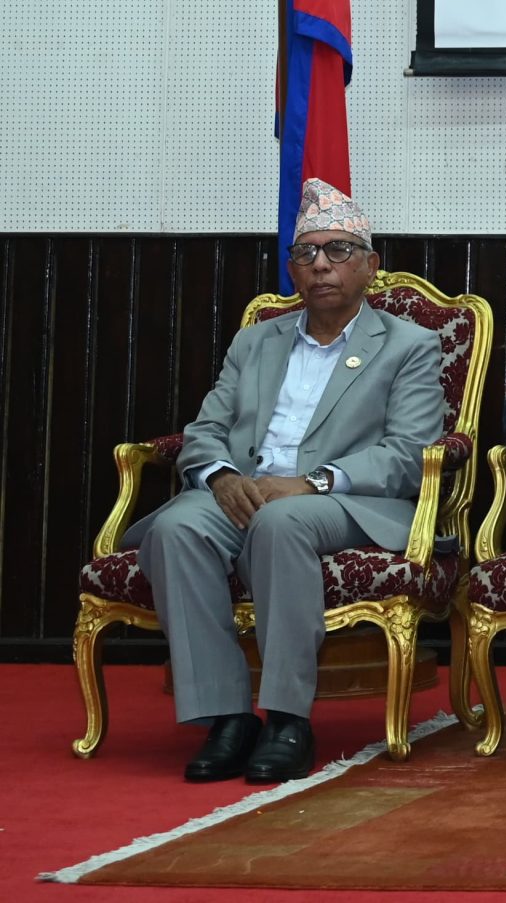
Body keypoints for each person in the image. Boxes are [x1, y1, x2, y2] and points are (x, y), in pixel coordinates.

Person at [125, 180, 443, 784]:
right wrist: (220, 477)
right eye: (306, 253)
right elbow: (205, 430)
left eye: (339, 250)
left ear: (370, 265)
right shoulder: (256, 341)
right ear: (293, 269)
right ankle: (226, 717)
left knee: (280, 521)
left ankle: (287, 719)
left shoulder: (408, 346)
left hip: (347, 500)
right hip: (245, 490)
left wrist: (313, 482)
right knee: (176, 528)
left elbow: (408, 453)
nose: (321, 265)